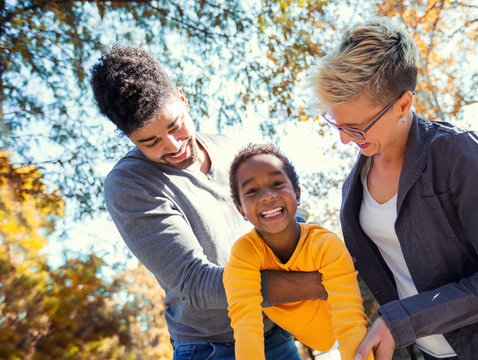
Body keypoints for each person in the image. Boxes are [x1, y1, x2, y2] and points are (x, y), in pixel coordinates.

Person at [308, 17, 478, 360]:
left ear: (404, 104)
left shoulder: (458, 152)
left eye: (357, 128)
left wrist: (402, 321)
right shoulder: (353, 186)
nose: (344, 139)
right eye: (337, 123)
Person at [90, 46, 328, 360]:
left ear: (182, 99)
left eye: (175, 126)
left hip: (276, 334)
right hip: (213, 350)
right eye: (151, 142)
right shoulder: (129, 185)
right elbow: (197, 282)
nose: (172, 146)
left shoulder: (231, 150)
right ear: (129, 137)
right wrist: (317, 285)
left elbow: (280, 223)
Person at [223, 143, 374, 360]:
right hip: (290, 328)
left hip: (326, 322)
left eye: (277, 183)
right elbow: (246, 326)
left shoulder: (327, 246)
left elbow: (351, 326)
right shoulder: (243, 253)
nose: (266, 195)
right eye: (252, 191)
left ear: (297, 193)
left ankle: (299, 218)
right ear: (241, 210)